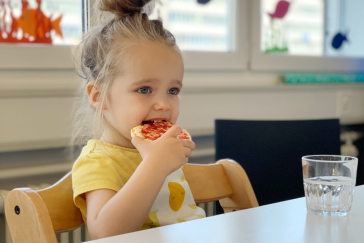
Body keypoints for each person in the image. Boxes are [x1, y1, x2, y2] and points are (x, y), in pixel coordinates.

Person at [71, 0, 206, 240]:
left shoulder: (164, 149)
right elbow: (106, 233)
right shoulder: (99, 162)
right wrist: (155, 165)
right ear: (98, 95)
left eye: (173, 90)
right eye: (144, 89)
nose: (164, 104)